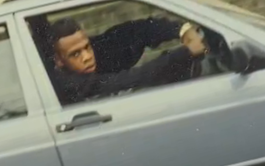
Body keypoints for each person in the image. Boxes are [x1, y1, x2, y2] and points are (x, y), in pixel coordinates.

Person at [42, 14, 207, 105]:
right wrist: (185, 53)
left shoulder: (95, 50)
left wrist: (182, 30)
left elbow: (136, 31)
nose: (87, 57)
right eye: (75, 54)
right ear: (59, 61)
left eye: (87, 47)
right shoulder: (69, 84)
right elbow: (131, 79)